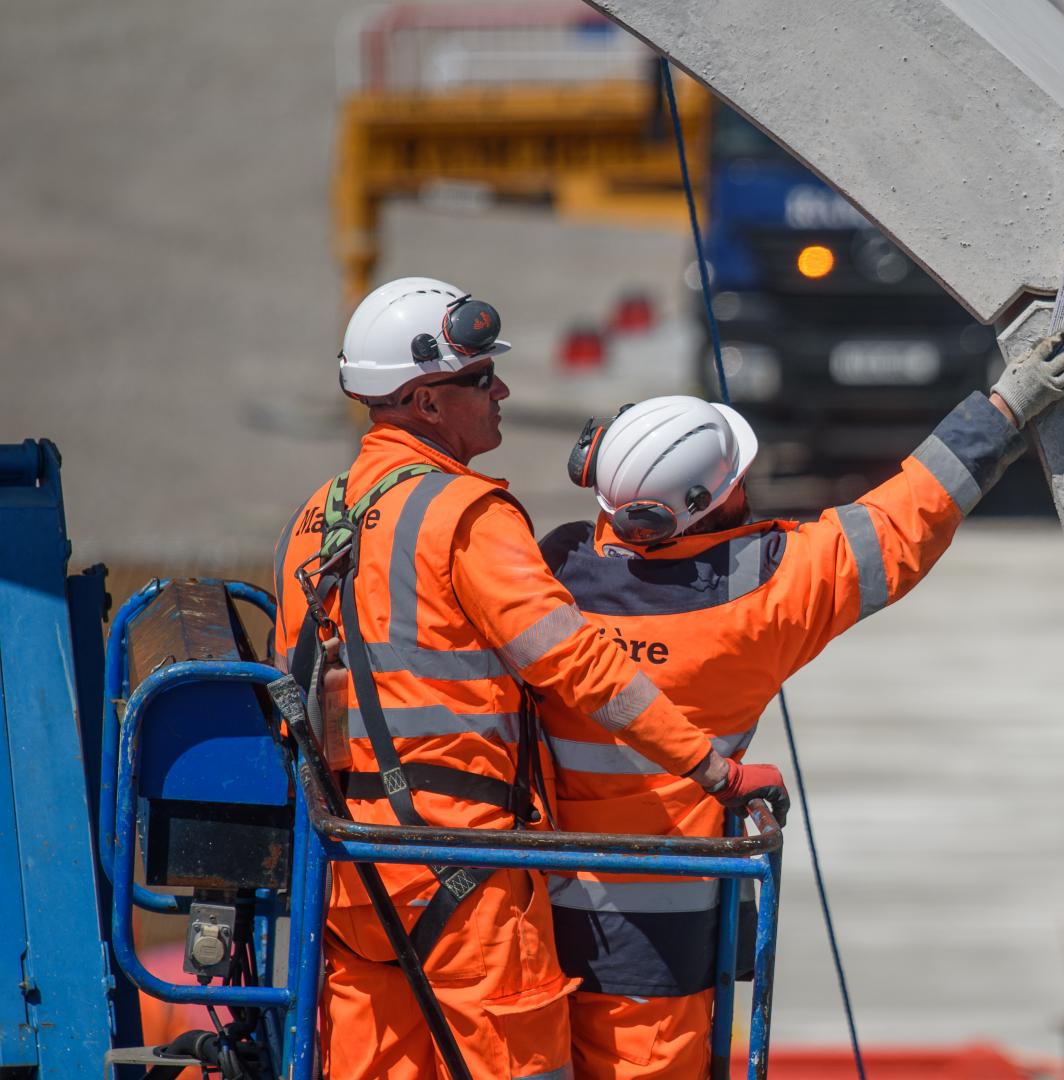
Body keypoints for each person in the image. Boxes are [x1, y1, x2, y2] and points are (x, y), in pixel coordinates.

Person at [272, 276, 790, 1080]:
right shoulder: (466, 516)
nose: (501, 390)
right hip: (464, 881)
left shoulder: (315, 517)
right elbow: (577, 665)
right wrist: (711, 767)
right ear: (426, 403)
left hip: (350, 880)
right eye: (480, 379)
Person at [535, 333, 1064, 1078]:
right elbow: (902, 523)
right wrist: (1006, 409)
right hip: (658, 933)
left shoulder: (544, 580)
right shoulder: (762, 600)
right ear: (713, 498)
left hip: (522, 906)